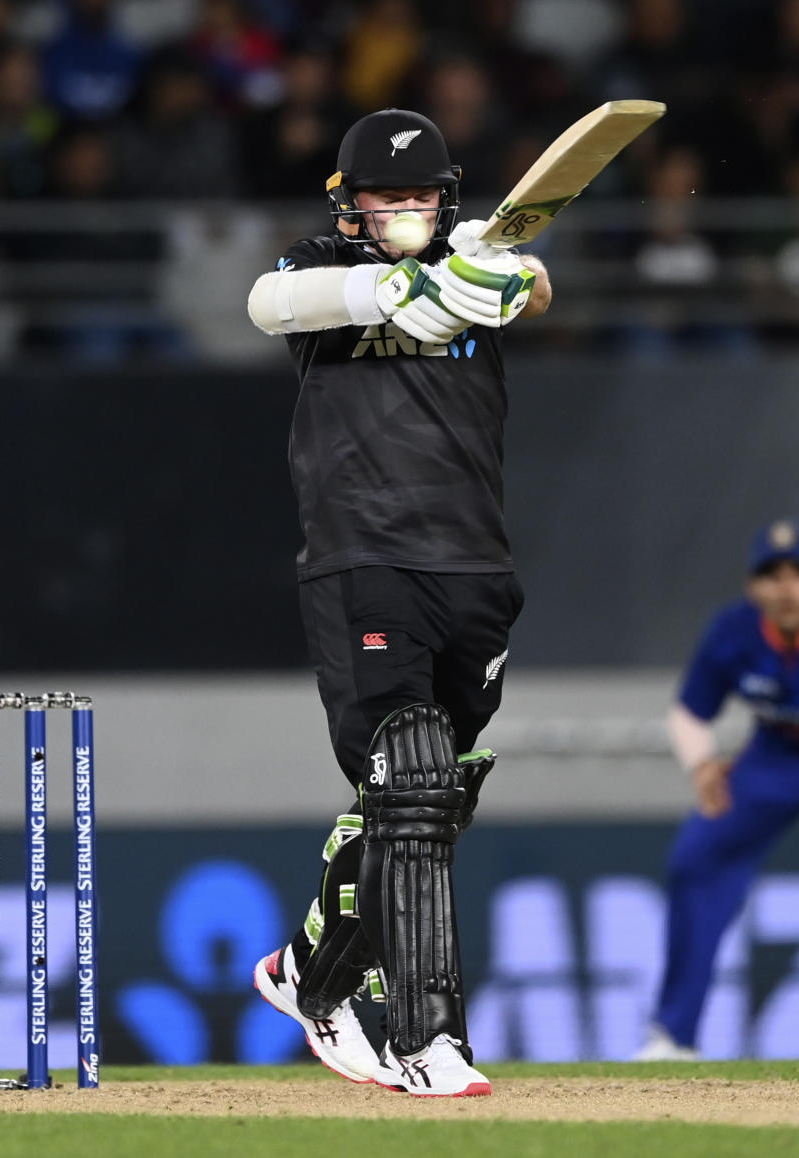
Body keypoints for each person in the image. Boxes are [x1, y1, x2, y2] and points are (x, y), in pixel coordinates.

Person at [245, 107, 551, 1096]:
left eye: (421, 195)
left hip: (477, 566)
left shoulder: (475, 258)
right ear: (350, 204)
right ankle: (428, 1039)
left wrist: (500, 273)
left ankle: (309, 970)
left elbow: (537, 285)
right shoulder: (310, 270)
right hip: (364, 557)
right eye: (387, 196)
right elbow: (270, 304)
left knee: (427, 799)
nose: (406, 209)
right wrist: (411, 286)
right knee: (413, 778)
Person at [637, 518, 799, 1060]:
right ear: (752, 587)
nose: (787, 587)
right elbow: (690, 712)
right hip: (782, 756)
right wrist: (703, 764)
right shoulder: (733, 633)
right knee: (699, 858)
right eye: (771, 574)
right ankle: (673, 1037)